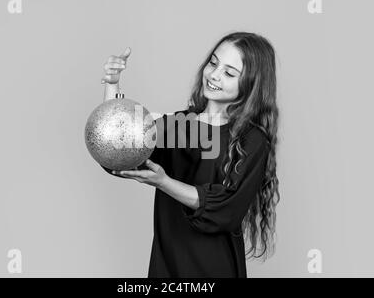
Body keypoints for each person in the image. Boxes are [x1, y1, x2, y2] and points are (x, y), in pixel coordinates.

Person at [100, 32, 280, 278]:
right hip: (167, 267)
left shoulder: (252, 140)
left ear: (251, 83)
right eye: (213, 63)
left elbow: (226, 209)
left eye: (229, 73)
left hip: (215, 269)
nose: (214, 75)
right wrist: (112, 85)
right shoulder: (178, 125)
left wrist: (164, 182)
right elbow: (117, 150)